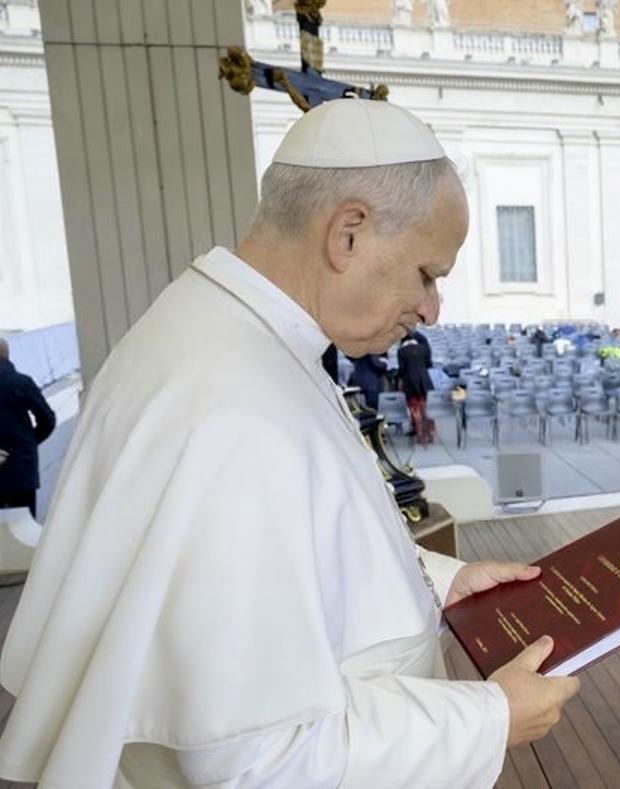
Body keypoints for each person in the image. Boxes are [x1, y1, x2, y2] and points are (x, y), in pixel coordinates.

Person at [0, 99, 579, 787]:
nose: (431, 310)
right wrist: (488, 719)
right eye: (427, 273)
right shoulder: (233, 405)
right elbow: (259, 757)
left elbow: (301, 550)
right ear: (348, 234)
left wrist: (441, 582)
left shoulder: (225, 334)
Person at [0, 338, 56, 519]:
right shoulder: (22, 382)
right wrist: (29, 442)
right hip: (21, 469)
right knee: (23, 525)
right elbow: (48, 419)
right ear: (7, 355)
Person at [397, 334, 435, 444]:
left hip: (410, 382)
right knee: (425, 407)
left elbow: (402, 369)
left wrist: (399, 380)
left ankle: (419, 432)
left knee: (414, 407)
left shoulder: (401, 351)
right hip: (425, 380)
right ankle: (430, 432)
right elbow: (429, 364)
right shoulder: (424, 349)